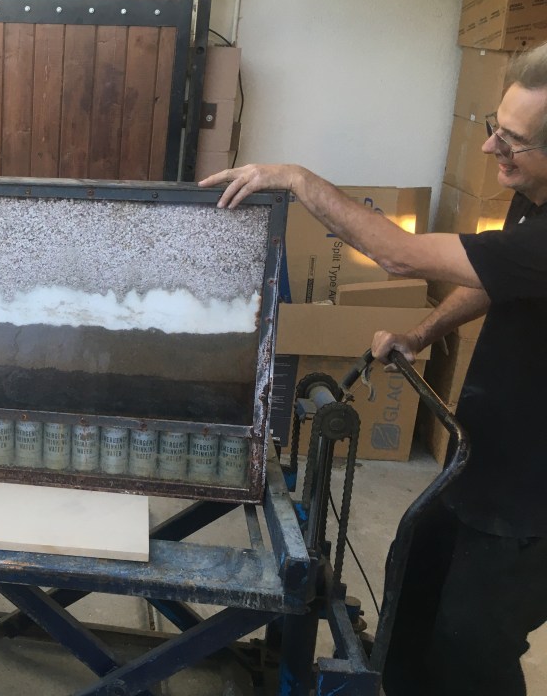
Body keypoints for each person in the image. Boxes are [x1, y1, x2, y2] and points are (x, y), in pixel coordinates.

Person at [200, 40, 547, 696]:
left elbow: (401, 256)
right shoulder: (535, 194)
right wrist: (421, 333)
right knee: (412, 582)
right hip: (485, 457)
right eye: (494, 128)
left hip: (533, 499)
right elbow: (496, 274)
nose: (490, 147)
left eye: (512, 140)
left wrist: (298, 179)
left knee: (473, 647)